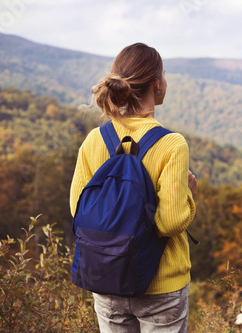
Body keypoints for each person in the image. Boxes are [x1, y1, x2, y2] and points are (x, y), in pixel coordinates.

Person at [69, 43, 197, 333]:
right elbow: (170, 222)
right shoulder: (171, 144)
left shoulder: (94, 140)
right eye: (163, 75)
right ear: (157, 84)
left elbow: (79, 209)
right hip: (161, 286)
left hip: (106, 277)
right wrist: (188, 192)